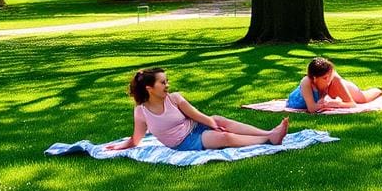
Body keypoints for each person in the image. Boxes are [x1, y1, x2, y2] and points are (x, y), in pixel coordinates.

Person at [107, 68, 289, 151]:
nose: (167, 85)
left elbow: (197, 115)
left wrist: (213, 124)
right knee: (223, 137)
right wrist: (119, 146)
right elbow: (136, 139)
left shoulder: (174, 98)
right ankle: (268, 139)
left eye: (166, 81)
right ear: (149, 88)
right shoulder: (141, 112)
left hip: (195, 126)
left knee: (218, 119)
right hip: (183, 142)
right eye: (163, 83)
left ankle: (268, 133)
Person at [287, 57, 382, 113]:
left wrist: (336, 104)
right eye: (324, 78)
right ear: (314, 78)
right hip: (297, 102)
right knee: (360, 98)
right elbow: (312, 108)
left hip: (333, 86)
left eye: (329, 76)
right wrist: (324, 104)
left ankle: (379, 90)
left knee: (362, 98)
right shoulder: (306, 81)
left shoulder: (332, 78)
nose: (328, 80)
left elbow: (351, 104)